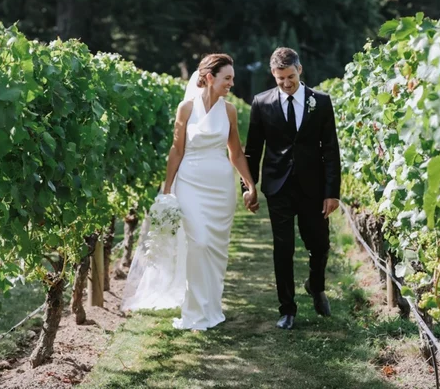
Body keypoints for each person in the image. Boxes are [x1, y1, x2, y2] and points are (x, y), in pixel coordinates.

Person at [122, 53, 258, 331]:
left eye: (232, 78)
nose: (232, 83)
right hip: (190, 184)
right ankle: (194, 312)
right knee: (199, 244)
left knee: (216, 250)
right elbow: (177, 150)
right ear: (210, 77)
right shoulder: (186, 109)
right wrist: (168, 189)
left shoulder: (229, 111)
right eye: (227, 78)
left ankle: (212, 308)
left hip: (221, 187)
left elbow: (236, 153)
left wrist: (250, 184)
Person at [243, 47, 341, 330]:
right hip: (278, 186)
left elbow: (331, 149)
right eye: (280, 78)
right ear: (273, 75)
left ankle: (316, 285)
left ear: (300, 70)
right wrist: (248, 186)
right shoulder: (261, 103)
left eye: (290, 77)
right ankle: (287, 308)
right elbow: (252, 150)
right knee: (283, 248)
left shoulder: (320, 102)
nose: (286, 83)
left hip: (314, 186)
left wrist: (332, 192)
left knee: (319, 244)